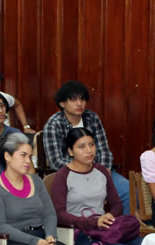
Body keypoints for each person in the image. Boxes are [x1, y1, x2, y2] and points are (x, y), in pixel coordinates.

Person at [43, 80, 130, 209]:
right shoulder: (53, 124)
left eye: (82, 99)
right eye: (73, 99)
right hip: (72, 176)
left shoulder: (91, 117)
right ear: (62, 103)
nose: (79, 103)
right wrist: (84, 170)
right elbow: (56, 161)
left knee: (128, 190)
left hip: (98, 171)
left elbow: (103, 150)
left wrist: (103, 172)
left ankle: (119, 227)